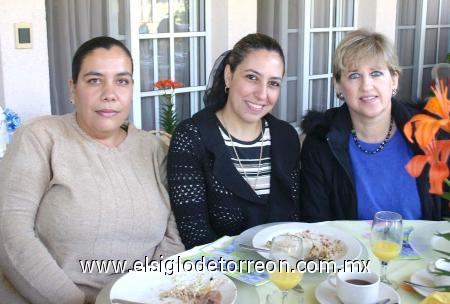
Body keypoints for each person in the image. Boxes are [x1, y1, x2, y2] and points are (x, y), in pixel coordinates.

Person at [0, 36, 184, 304]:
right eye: (94, 80)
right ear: (73, 89)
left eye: (122, 81)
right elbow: (11, 234)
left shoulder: (155, 149)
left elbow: (173, 233)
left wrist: (148, 292)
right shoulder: (39, 137)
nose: (109, 93)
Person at [167, 33, 301, 249]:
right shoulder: (191, 138)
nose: (262, 94)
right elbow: (196, 236)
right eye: (252, 77)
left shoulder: (286, 137)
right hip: (218, 276)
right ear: (229, 75)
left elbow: (294, 220)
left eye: (273, 83)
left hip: (283, 271)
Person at [300, 29, 448, 221]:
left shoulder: (432, 132)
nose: (366, 85)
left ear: (394, 79)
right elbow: (316, 227)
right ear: (338, 85)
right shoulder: (320, 143)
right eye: (354, 75)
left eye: (376, 73)